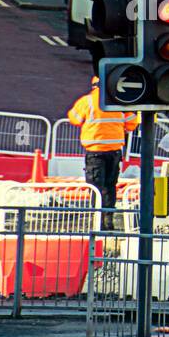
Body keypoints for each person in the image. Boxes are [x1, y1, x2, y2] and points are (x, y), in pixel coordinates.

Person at [68, 76, 139, 230]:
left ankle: (97, 221)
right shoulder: (119, 102)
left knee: (95, 187)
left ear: (94, 86)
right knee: (110, 186)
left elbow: (74, 118)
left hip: (95, 152)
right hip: (114, 152)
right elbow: (133, 123)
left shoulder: (87, 101)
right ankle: (108, 220)